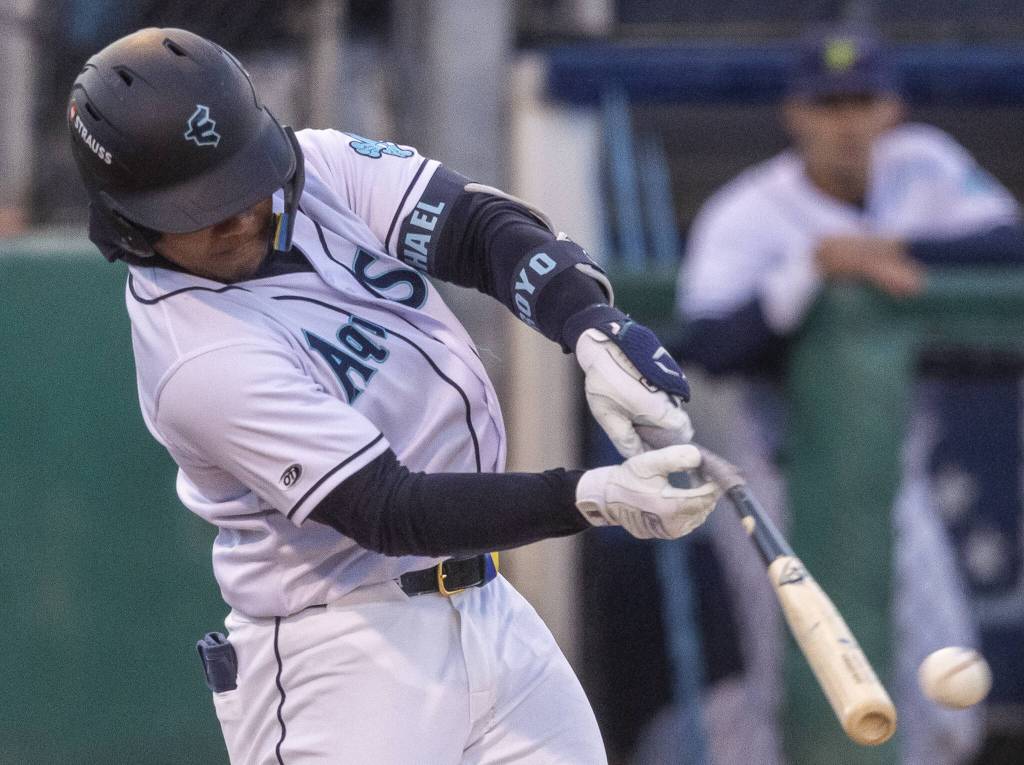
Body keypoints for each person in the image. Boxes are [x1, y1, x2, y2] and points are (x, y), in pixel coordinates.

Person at [68, 28, 723, 765]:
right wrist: (589, 496)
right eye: (203, 205)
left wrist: (589, 322)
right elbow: (389, 509)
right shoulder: (198, 356)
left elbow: (476, 228)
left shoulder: (316, 167)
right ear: (133, 222)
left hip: (488, 612)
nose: (241, 212)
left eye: (244, 178)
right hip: (343, 656)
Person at [675, 24, 1020, 765]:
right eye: (827, 103)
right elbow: (705, 342)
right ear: (795, 114)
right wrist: (809, 272)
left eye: (861, 101)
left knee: (947, 698)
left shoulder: (920, 163)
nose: (846, 123)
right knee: (799, 687)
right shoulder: (749, 212)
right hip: (765, 479)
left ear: (889, 109)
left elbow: (1008, 240)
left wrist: (890, 250)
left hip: (892, 477)